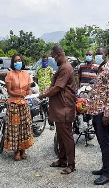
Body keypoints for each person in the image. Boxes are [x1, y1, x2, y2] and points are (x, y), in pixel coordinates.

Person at [39, 45, 76, 175]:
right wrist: (46, 91)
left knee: (67, 137)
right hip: (60, 108)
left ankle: (71, 164)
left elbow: (57, 88)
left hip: (65, 109)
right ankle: (62, 160)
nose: (53, 59)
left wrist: (44, 94)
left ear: (59, 54)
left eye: (54, 56)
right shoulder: (62, 67)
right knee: (60, 136)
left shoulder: (66, 68)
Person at [88, 47, 109, 185]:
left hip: (103, 113)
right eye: (97, 54)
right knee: (101, 142)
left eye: (100, 54)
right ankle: (104, 168)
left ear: (106, 55)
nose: (97, 56)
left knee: (105, 143)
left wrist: (106, 115)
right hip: (96, 110)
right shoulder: (101, 69)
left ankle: (107, 174)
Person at [3, 53, 34, 161]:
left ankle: (23, 150)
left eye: (19, 60)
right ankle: (16, 151)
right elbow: (10, 91)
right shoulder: (10, 75)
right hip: (14, 104)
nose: (17, 62)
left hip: (24, 104)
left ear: (22, 61)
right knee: (14, 128)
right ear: (13, 63)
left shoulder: (26, 74)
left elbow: (28, 89)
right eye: (15, 61)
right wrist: (19, 95)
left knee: (24, 126)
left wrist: (31, 93)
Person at [34, 55, 55, 130]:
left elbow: (53, 80)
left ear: (47, 61)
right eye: (43, 61)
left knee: (48, 108)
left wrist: (51, 89)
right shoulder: (38, 69)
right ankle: (40, 122)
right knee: (40, 107)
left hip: (48, 91)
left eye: (45, 61)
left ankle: (51, 123)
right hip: (40, 91)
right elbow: (35, 79)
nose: (44, 62)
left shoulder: (50, 69)